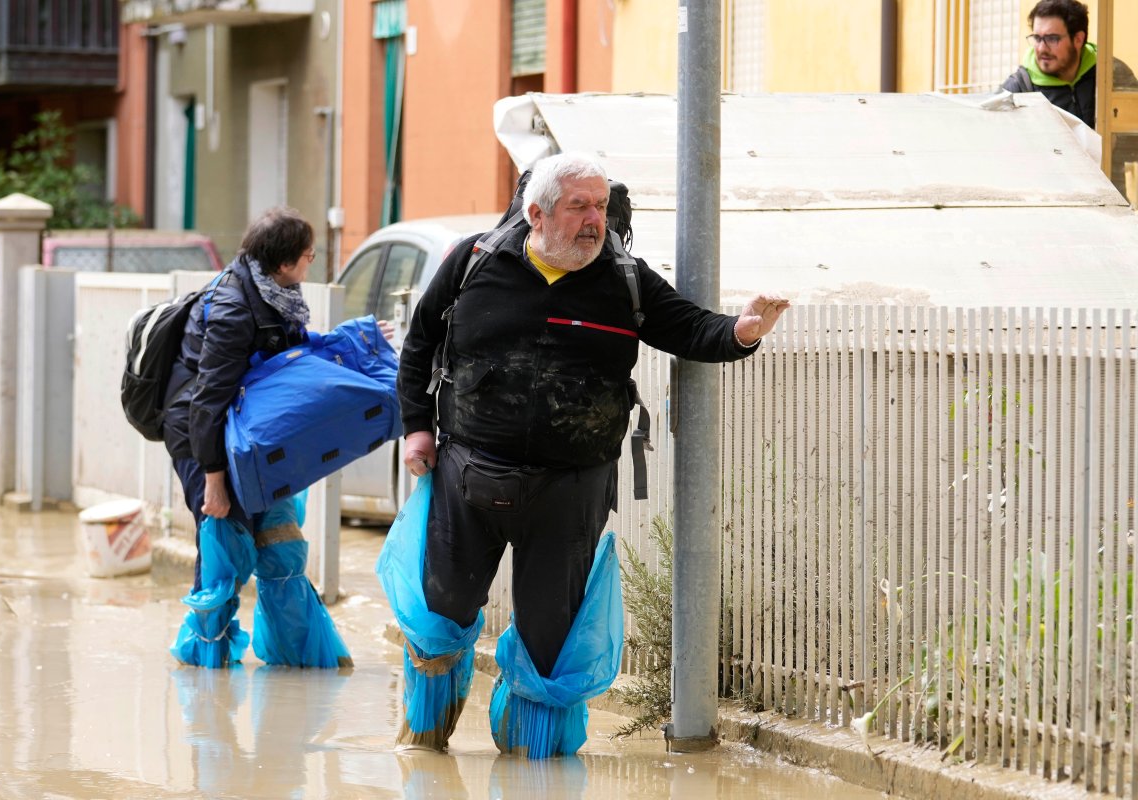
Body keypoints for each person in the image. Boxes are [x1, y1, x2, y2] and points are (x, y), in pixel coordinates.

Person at [393, 151, 790, 755]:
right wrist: (417, 429)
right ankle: (422, 744)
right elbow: (420, 341)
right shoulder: (474, 262)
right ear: (536, 213)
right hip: (467, 474)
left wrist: (741, 333)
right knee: (440, 618)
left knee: (551, 643)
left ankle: (531, 762)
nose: (593, 221)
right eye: (578, 206)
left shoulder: (625, 280)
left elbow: (688, 328)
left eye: (601, 207)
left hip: (570, 488)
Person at [162, 206, 354, 669]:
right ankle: (207, 672)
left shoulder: (276, 293)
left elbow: (289, 353)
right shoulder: (233, 309)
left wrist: (349, 343)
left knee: (280, 544)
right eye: (308, 256)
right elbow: (207, 400)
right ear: (284, 263)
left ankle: (294, 658)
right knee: (224, 546)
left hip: (247, 434)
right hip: (205, 436)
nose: (313, 261)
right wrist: (213, 481)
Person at [1000, 0, 1138, 129]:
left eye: (1052, 39)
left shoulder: (1113, 74)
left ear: (1078, 39)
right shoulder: (1016, 91)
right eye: (1037, 38)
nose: (1041, 48)